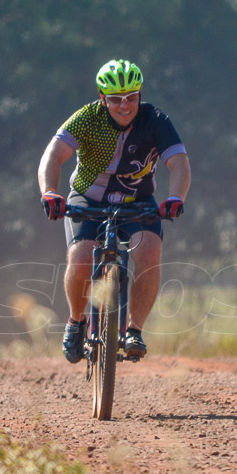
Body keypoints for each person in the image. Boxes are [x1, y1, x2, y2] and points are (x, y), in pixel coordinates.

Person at [37, 59, 191, 362]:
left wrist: (176, 197)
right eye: (116, 99)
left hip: (138, 202)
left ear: (139, 95)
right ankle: (76, 321)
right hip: (88, 198)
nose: (124, 105)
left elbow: (180, 163)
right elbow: (52, 155)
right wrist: (50, 192)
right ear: (102, 97)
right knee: (81, 257)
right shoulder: (87, 118)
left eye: (131, 97)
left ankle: (134, 330)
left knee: (150, 252)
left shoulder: (155, 120)